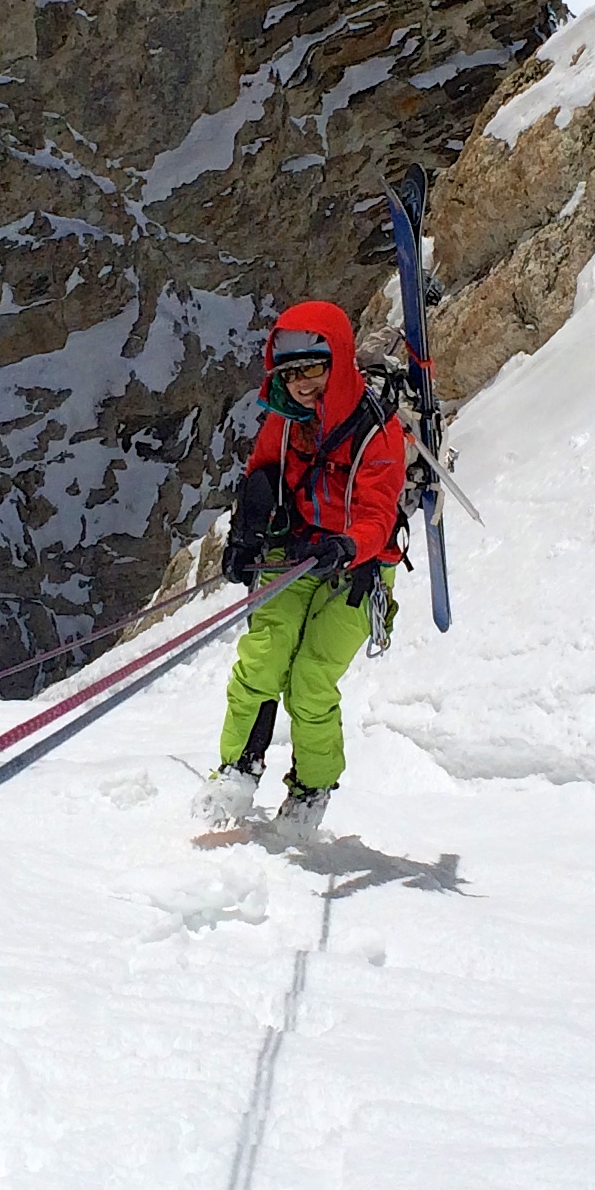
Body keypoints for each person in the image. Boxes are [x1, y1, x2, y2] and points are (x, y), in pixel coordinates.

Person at [199, 299, 405, 839]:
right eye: (291, 374)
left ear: (336, 361)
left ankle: (312, 788)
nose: (302, 384)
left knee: (311, 679)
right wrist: (245, 539)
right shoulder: (284, 423)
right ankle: (238, 770)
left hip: (358, 568)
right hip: (292, 551)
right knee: (263, 659)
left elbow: (379, 514)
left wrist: (349, 545)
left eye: (313, 369)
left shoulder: (379, 433)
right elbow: (262, 471)